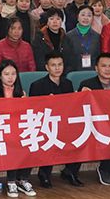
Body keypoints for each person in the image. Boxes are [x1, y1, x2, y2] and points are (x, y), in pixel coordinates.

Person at [0, 59, 35, 197]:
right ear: (0, 76)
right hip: (1, 131)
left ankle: (23, 180)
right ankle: (11, 181)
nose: (10, 77)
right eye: (6, 74)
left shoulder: (21, 92)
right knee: (13, 144)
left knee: (32, 141)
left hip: (18, 130)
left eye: (13, 74)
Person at [28, 53, 78, 187]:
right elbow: (32, 109)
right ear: (47, 67)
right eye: (53, 65)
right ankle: (44, 173)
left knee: (80, 135)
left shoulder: (68, 84)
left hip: (64, 123)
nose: (57, 68)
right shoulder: (37, 85)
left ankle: (70, 171)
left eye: (60, 65)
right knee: (49, 137)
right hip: (46, 124)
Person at [79, 53, 110, 185]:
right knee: (108, 135)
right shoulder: (87, 84)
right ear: (96, 68)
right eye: (104, 66)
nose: (107, 69)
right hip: (94, 124)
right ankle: (105, 169)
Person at [65, 5, 101, 72]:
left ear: (92, 19)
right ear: (77, 17)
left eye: (89, 15)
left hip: (93, 72)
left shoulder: (97, 37)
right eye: (83, 15)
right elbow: (66, 59)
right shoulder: (68, 36)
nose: (86, 18)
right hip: (74, 72)